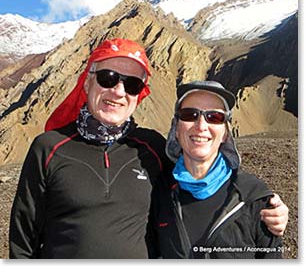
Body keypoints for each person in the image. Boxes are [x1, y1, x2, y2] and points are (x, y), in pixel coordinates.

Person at [9, 39, 288, 259]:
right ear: (87, 81)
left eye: (131, 84)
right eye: (108, 77)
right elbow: (23, 241)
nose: (118, 91)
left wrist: (261, 203)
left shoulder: (151, 147)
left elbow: (202, 170)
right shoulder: (48, 148)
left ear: (138, 95)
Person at [148, 81, 285, 259]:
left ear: (225, 134)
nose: (201, 126)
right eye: (190, 115)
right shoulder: (158, 193)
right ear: (176, 129)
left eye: (214, 117)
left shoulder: (255, 199)